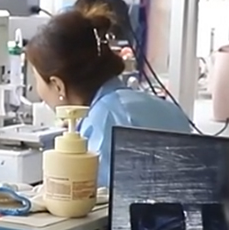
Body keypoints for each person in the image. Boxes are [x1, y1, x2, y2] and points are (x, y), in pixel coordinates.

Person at [26, 4, 191, 188]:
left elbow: (94, 198)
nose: (37, 90)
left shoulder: (104, 120)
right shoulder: (165, 109)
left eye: (36, 79)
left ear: (58, 85)